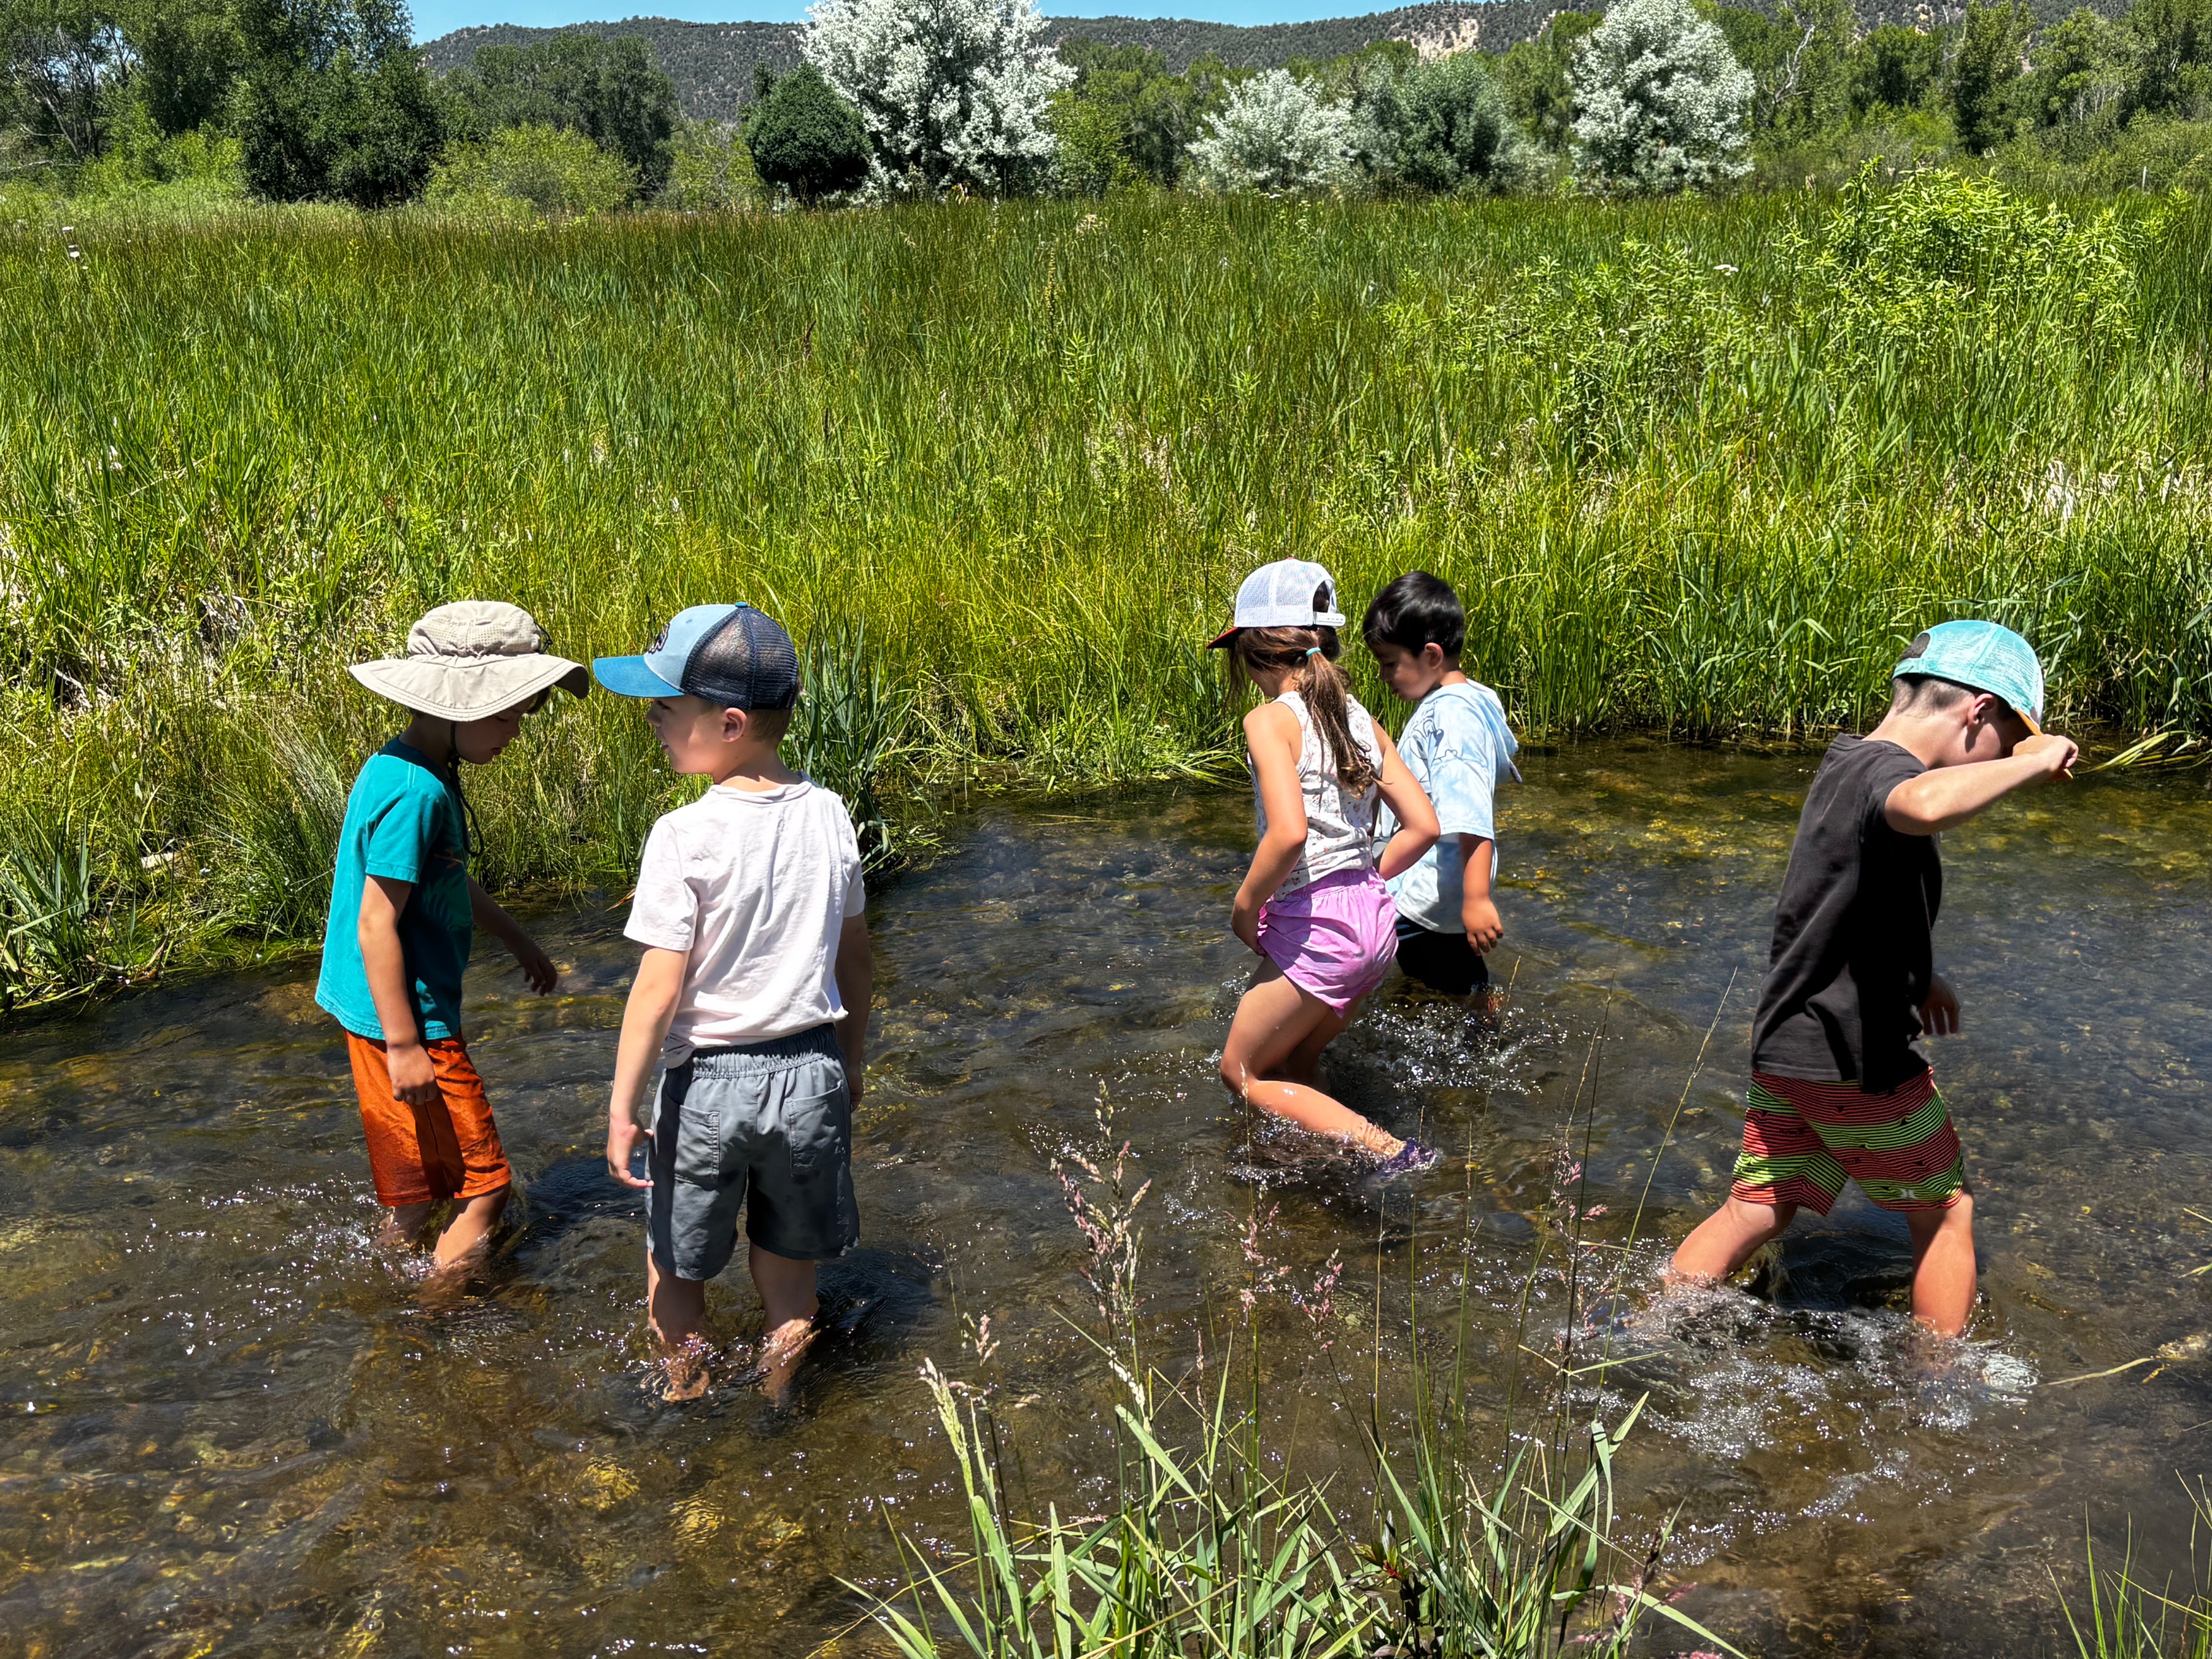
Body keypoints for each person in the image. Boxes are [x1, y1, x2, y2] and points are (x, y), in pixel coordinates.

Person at [1668, 621, 2079, 1338]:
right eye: (2006, 740)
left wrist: (1922, 975)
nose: (2000, 762)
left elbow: (1840, 904)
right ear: (1977, 711)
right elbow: (1921, 807)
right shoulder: (1896, 781)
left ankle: (1650, 1324)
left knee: (1761, 1206)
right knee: (1948, 1212)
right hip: (1859, 1064)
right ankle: (1935, 1384)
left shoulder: (1843, 767)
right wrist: (2033, 764)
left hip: (1787, 1051)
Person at [595, 603, 872, 1403]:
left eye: (665, 708)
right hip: (812, 1071)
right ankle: (780, 1398)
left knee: (675, 1264)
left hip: (712, 1086)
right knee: (791, 1278)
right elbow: (857, 961)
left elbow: (658, 989)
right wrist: (850, 1063)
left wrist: (623, 1109)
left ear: (729, 722)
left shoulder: (683, 834)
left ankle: (686, 1403)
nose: (652, 722)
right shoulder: (829, 813)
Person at [316, 601, 585, 1292]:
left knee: (417, 1186)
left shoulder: (404, 766)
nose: (515, 733)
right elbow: (376, 923)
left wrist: (515, 936)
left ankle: (388, 1285)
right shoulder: (418, 794)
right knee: (486, 1187)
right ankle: (432, 1325)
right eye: (505, 715)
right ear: (454, 705)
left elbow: (442, 882)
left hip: (377, 1010)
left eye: (523, 714)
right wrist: (407, 1046)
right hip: (410, 1021)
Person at [1208, 559, 1444, 1177]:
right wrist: (1361, 883)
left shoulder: (1267, 720)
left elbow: (1289, 834)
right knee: (1294, 1068)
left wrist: (1244, 908)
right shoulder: (1362, 718)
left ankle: (1390, 1151)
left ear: (1253, 650)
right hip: (1375, 922)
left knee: (1243, 1072)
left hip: (1319, 928)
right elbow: (1424, 827)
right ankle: (1303, 1162)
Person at [1360, 571, 1520, 1003]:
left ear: (1431, 655)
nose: (1383, 675)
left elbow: (1469, 812)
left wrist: (1477, 899)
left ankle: (1486, 1039)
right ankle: (1484, 1022)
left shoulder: (1452, 717)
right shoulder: (1472, 700)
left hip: (1427, 897)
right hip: (1440, 896)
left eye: (1390, 663)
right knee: (1455, 981)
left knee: (1441, 979)